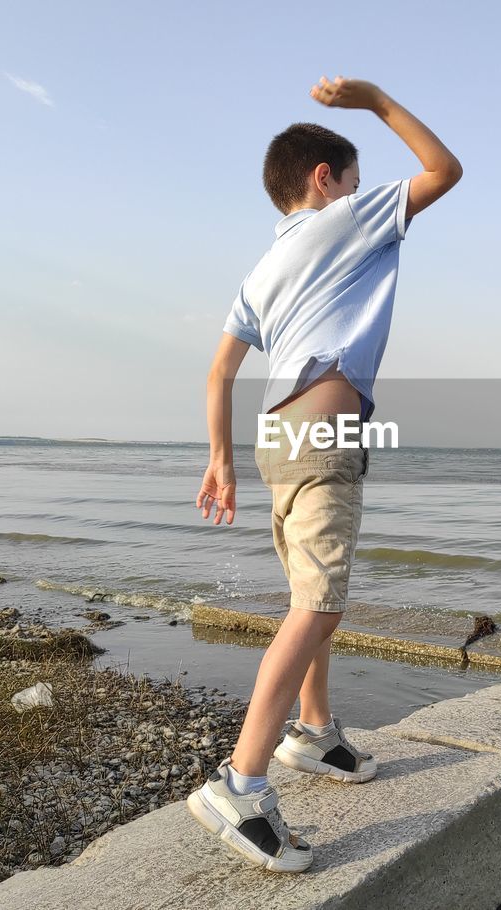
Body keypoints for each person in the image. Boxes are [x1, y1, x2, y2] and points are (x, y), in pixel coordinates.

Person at [186, 76, 463, 872]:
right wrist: (377, 101)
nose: (359, 186)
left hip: (277, 439)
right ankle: (239, 784)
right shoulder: (347, 219)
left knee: (315, 596)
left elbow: (218, 373)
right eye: (351, 175)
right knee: (316, 603)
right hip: (322, 435)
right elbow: (443, 170)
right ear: (324, 179)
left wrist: (220, 458)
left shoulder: (260, 270)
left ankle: (314, 730)